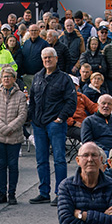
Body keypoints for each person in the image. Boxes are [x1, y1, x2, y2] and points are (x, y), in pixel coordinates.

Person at [29, 47, 77, 205]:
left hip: (55, 124)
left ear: (56, 59)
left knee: (59, 160)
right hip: (39, 124)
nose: (47, 60)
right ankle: (44, 193)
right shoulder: (37, 77)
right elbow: (33, 101)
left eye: (50, 57)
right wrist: (33, 119)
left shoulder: (64, 78)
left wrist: (60, 118)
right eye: (45, 58)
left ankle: (60, 193)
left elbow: (71, 101)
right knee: (41, 160)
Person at [0, 67, 28, 204]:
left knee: (13, 165)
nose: (6, 79)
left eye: (9, 77)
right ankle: (1, 193)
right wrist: (2, 128)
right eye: (4, 77)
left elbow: (22, 115)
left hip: (14, 136)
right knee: (1, 165)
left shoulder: (21, 96)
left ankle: (12, 194)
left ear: (14, 79)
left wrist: (10, 128)